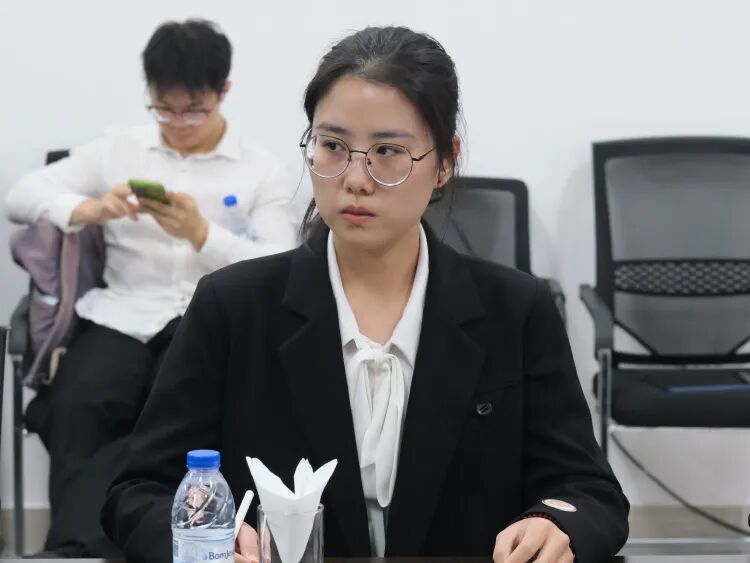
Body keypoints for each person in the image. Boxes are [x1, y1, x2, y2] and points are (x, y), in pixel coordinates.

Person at [102, 26, 629, 563]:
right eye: (332, 146)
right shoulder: (233, 307)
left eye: (388, 151)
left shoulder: (515, 310)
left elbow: (588, 492)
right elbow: (139, 491)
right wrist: (199, 538)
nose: (355, 178)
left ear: (445, 162)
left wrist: (557, 525)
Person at [4, 19, 298, 557]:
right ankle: (76, 550)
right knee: (78, 403)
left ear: (224, 92)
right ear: (150, 94)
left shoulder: (261, 171)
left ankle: (157, 546)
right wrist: (88, 208)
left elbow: (282, 262)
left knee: (169, 418)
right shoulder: (119, 150)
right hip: (120, 314)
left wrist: (202, 234)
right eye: (164, 109)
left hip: (201, 323)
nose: (178, 123)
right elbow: (21, 196)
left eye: (194, 111)